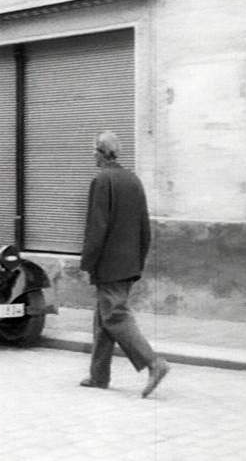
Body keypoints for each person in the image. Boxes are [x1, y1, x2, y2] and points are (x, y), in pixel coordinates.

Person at [79, 131, 170, 398]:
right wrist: (138, 261)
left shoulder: (101, 180)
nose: (92, 155)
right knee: (103, 317)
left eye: (93, 150)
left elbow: (97, 228)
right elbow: (145, 228)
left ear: (100, 152)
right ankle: (99, 375)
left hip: (109, 264)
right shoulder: (133, 180)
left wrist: (88, 262)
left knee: (114, 316)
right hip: (129, 263)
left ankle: (154, 363)